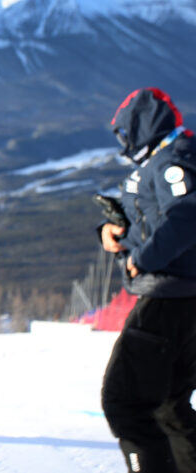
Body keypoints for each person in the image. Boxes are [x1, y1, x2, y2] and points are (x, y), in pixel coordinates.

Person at [98, 87, 196, 473]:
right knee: (168, 402)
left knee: (125, 403)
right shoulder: (165, 160)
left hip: (170, 297)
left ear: (141, 127)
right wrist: (111, 228)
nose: (124, 146)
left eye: (125, 135)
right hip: (179, 295)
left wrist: (142, 257)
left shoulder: (176, 160)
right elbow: (155, 216)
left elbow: (187, 216)